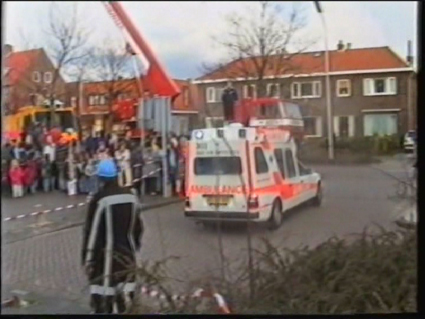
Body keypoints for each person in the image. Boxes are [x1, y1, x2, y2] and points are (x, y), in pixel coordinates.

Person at [81, 159, 144, 314]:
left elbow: (92, 232)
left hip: (105, 260)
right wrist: (134, 246)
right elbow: (138, 227)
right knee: (126, 298)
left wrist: (88, 259)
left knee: (103, 299)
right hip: (127, 256)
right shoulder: (131, 196)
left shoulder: (100, 199)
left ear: (101, 178)